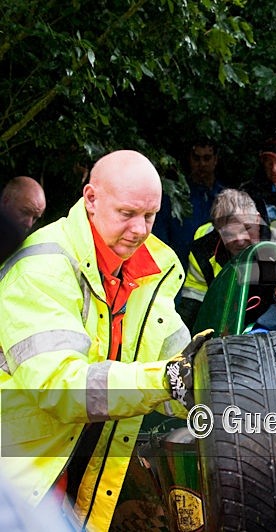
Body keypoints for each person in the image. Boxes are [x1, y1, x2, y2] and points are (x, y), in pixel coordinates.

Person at [0, 150, 206, 530]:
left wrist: (215, 385)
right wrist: (167, 381)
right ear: (90, 199)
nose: (141, 230)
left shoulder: (149, 272)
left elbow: (181, 367)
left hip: (88, 472)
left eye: (150, 216)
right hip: (18, 479)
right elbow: (62, 389)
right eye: (127, 214)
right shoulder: (42, 265)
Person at [178, 188, 276, 328]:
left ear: (257, 218)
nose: (240, 239)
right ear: (217, 230)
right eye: (230, 233)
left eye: (247, 228)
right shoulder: (203, 250)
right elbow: (193, 304)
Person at [152, 139, 225, 267]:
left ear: (215, 160)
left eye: (207, 158)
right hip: (178, 271)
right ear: (190, 159)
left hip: (214, 274)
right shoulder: (175, 195)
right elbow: (159, 238)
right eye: (196, 158)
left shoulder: (225, 197)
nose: (201, 164)